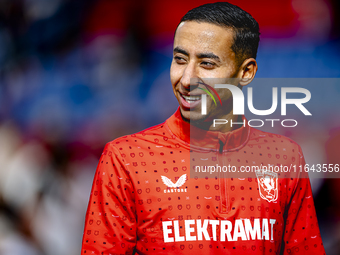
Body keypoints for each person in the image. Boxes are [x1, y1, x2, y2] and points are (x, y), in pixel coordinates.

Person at [81, 2, 325, 254]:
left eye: (207, 64)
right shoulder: (124, 158)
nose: (187, 79)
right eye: (180, 60)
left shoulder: (284, 157)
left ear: (246, 72)